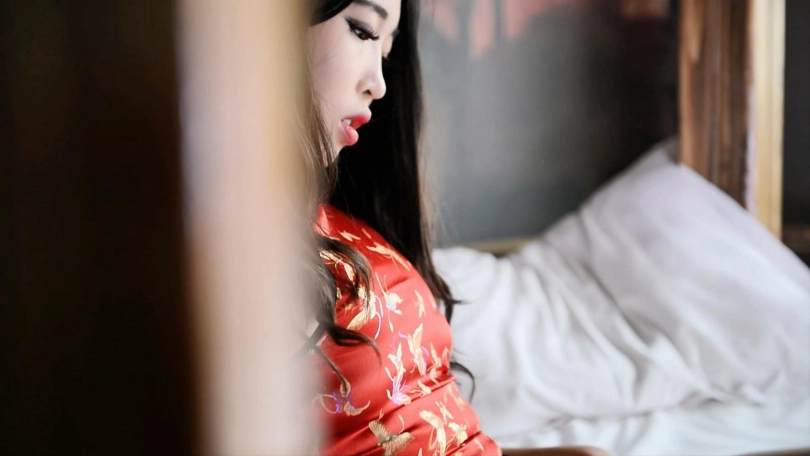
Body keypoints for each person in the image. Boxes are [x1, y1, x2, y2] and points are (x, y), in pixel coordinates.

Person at [301, 1, 612, 455]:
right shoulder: (235, 255)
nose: (379, 85)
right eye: (363, 31)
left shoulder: (342, 221)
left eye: (386, 51)